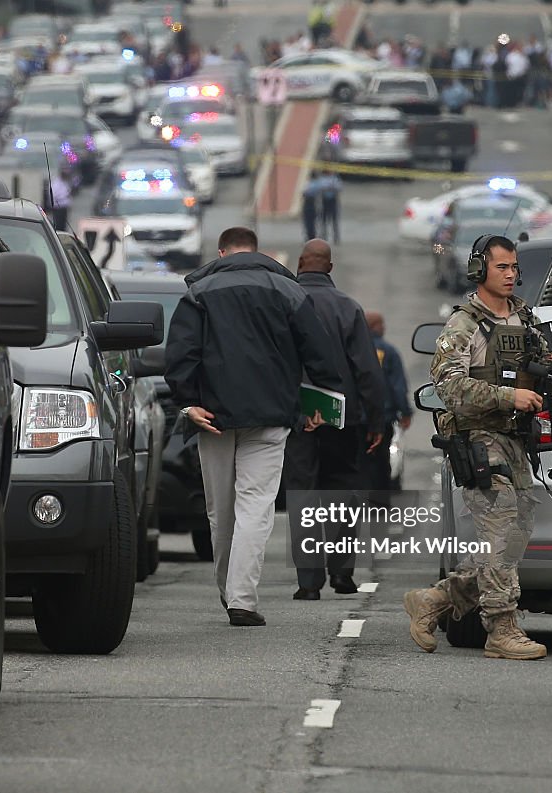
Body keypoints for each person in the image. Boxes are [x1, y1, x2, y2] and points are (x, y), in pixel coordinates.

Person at [403, 235, 552, 660]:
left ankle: (434, 600)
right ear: (480, 270)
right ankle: (501, 628)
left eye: (515, 267)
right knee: (499, 527)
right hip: (479, 438)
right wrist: (506, 397)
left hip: (517, 439)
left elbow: (541, 366)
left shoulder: (525, 320)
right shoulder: (464, 325)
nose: (511, 275)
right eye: (502, 267)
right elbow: (448, 385)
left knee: (517, 531)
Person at [164, 227, 345, 627]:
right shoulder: (289, 290)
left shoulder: (198, 292)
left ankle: (228, 590)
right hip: (272, 414)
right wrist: (322, 398)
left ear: (222, 250)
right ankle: (241, 599)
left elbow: (181, 352)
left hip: (212, 416)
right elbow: (318, 349)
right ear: (256, 251)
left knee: (220, 511)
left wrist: (187, 403)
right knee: (256, 506)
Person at [283, 240, 386, 600]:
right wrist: (376, 421)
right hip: (344, 419)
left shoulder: (284, 303)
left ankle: (308, 583)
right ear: (330, 267)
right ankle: (342, 574)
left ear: (299, 264)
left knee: (304, 495)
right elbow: (367, 371)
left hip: (297, 419)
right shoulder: (348, 308)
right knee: (341, 495)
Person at [365, 310, 412, 497]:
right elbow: (397, 386)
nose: (384, 328)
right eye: (381, 324)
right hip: (383, 419)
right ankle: (380, 502)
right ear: (376, 327)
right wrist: (405, 412)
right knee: (381, 461)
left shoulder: (354, 349)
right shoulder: (388, 352)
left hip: (357, 419)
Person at [302, 172, 323, 241]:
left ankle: (310, 236)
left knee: (309, 222)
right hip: (314, 203)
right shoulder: (318, 183)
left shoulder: (309, 184)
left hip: (309, 203)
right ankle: (312, 235)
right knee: (313, 222)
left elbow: (305, 193)